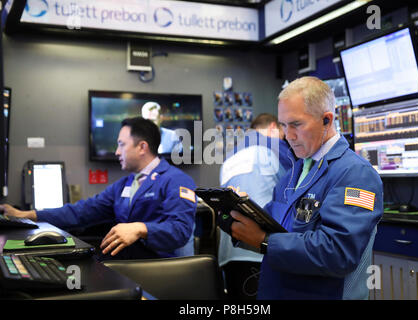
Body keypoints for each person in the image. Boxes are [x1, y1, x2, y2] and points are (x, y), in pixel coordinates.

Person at [226, 76, 383, 299]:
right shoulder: (294, 172)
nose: (288, 136)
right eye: (283, 125)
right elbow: (272, 225)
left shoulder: (355, 174)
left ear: (326, 121)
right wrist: (242, 212)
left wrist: (265, 240)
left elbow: (338, 253)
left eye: (296, 124)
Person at [0, 117, 197, 260]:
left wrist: (141, 229)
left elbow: (180, 230)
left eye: (121, 145)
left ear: (142, 147)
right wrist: (25, 214)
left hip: (157, 267)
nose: (117, 151)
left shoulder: (176, 180)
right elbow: (80, 212)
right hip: (125, 262)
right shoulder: (125, 184)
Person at [218, 113, 294, 299]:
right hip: (262, 248)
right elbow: (298, 188)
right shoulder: (277, 147)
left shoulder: (231, 155)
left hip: (230, 250)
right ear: (273, 128)